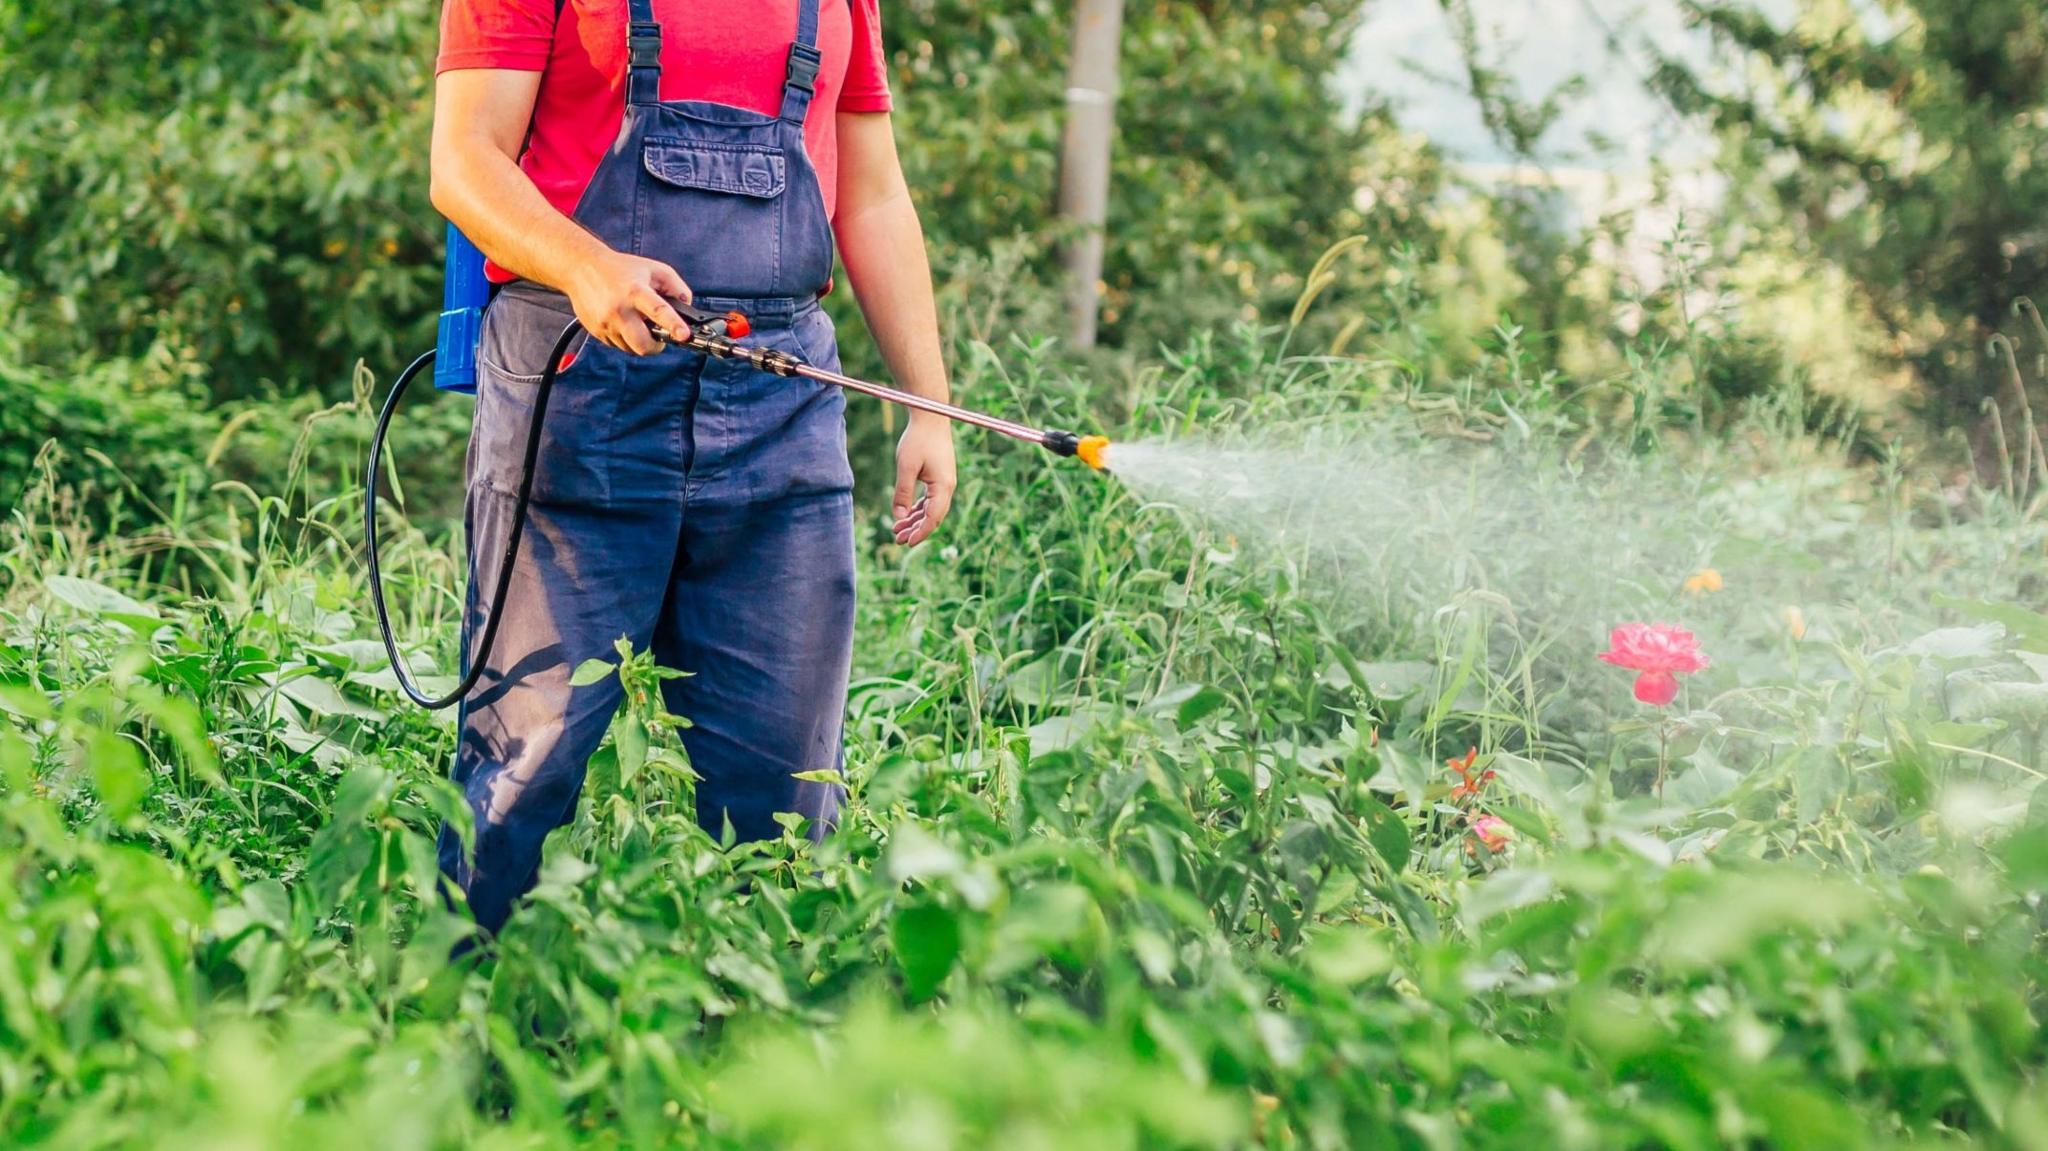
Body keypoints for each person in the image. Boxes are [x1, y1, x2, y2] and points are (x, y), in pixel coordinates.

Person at [428, 0, 956, 936]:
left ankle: (751, 1048)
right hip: (577, 392)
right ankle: (458, 1020)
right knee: (520, 765)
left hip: (780, 409)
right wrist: (586, 266)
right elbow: (465, 161)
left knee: (785, 795)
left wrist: (927, 399)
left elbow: (872, 193)